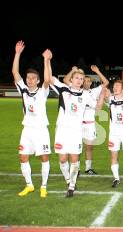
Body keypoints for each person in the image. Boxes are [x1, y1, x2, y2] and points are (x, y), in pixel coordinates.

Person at [45, 50, 101, 198]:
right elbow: (49, 78)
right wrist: (47, 60)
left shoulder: (86, 95)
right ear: (72, 79)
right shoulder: (64, 89)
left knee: (75, 159)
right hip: (62, 130)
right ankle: (69, 180)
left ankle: (71, 186)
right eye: (76, 78)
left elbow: (97, 108)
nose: (79, 80)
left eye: (81, 79)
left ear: (83, 81)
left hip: (77, 131)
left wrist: (102, 95)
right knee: (63, 159)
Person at [13, 41, 51, 198]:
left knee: (44, 157)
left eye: (33, 78)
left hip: (41, 130)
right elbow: (15, 73)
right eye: (28, 78)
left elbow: (48, 80)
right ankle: (29, 185)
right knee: (23, 157)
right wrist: (17, 53)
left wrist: (46, 60)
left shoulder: (43, 91)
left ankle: (43, 186)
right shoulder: (23, 90)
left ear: (37, 80)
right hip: (27, 130)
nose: (29, 80)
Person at [63, 65, 109, 175]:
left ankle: (88, 168)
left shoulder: (94, 92)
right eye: (85, 81)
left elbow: (106, 82)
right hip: (77, 124)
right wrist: (73, 70)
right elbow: (65, 80)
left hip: (90, 124)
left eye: (89, 81)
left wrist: (97, 71)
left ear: (91, 83)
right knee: (76, 148)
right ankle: (76, 168)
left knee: (89, 147)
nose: (87, 83)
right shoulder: (76, 91)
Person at [96, 80, 123, 189]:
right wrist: (103, 91)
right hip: (114, 133)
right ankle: (116, 178)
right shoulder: (110, 99)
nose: (114, 88)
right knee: (114, 156)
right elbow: (99, 104)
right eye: (114, 86)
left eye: (117, 86)